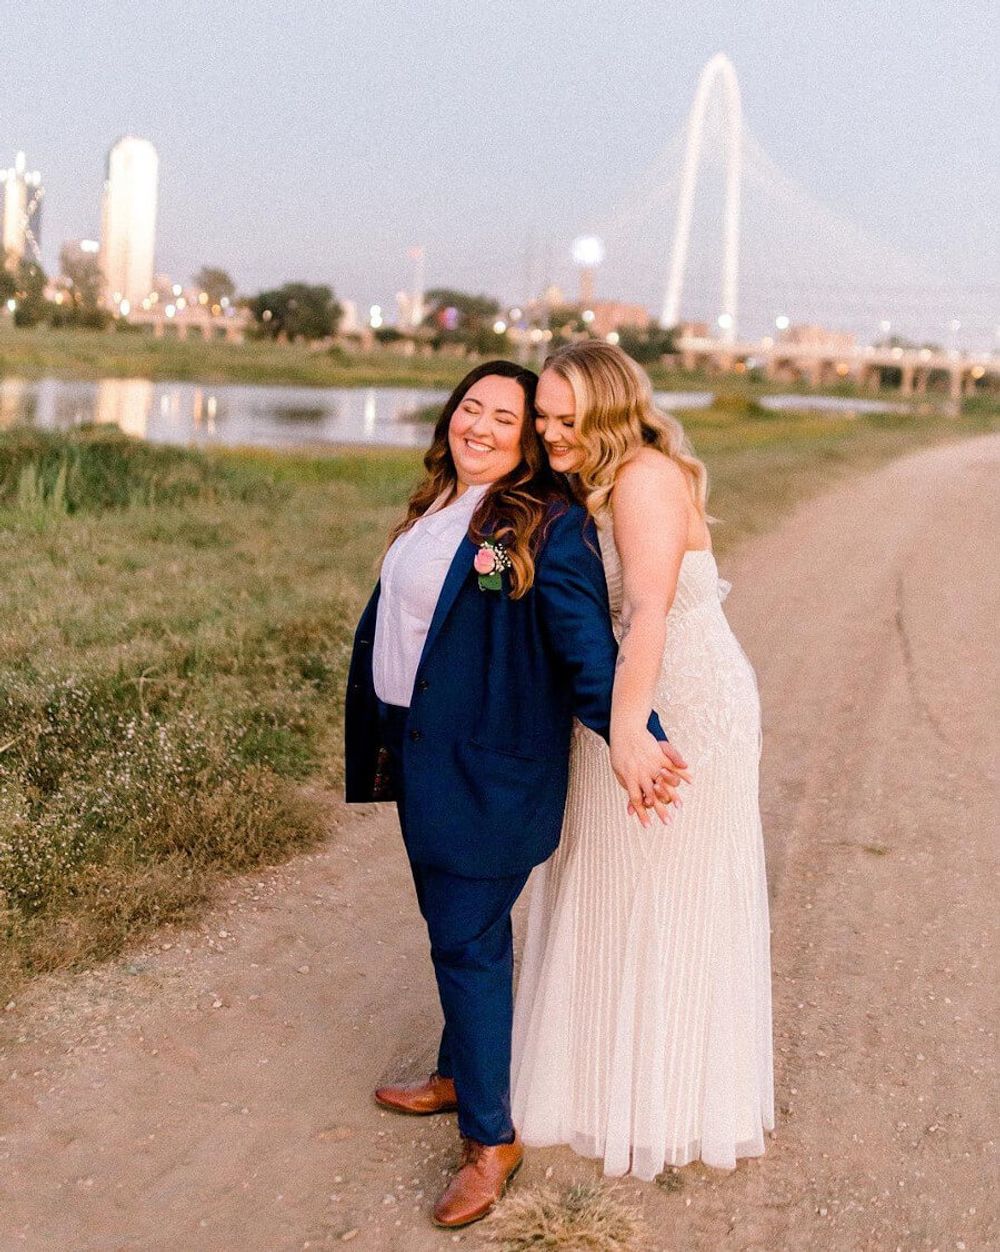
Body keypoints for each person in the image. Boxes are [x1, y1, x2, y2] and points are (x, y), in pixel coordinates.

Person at [344, 360, 686, 1228]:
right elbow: (430, 623)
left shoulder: (543, 523)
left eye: (507, 417)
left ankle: (490, 1141)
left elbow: (582, 647)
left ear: (528, 439)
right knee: (455, 923)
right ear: (450, 414)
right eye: (472, 408)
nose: (483, 427)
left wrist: (633, 737)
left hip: (489, 773)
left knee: (467, 941)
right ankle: (457, 1072)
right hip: (427, 754)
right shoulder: (449, 505)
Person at [512, 341, 773, 1179]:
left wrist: (630, 730)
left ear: (612, 411)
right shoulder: (580, 482)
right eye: (543, 417)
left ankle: (668, 1100)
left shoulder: (646, 477)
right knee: (606, 877)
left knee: (669, 886)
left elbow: (649, 612)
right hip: (623, 700)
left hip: (681, 703)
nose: (551, 433)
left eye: (568, 419)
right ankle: (595, 1086)